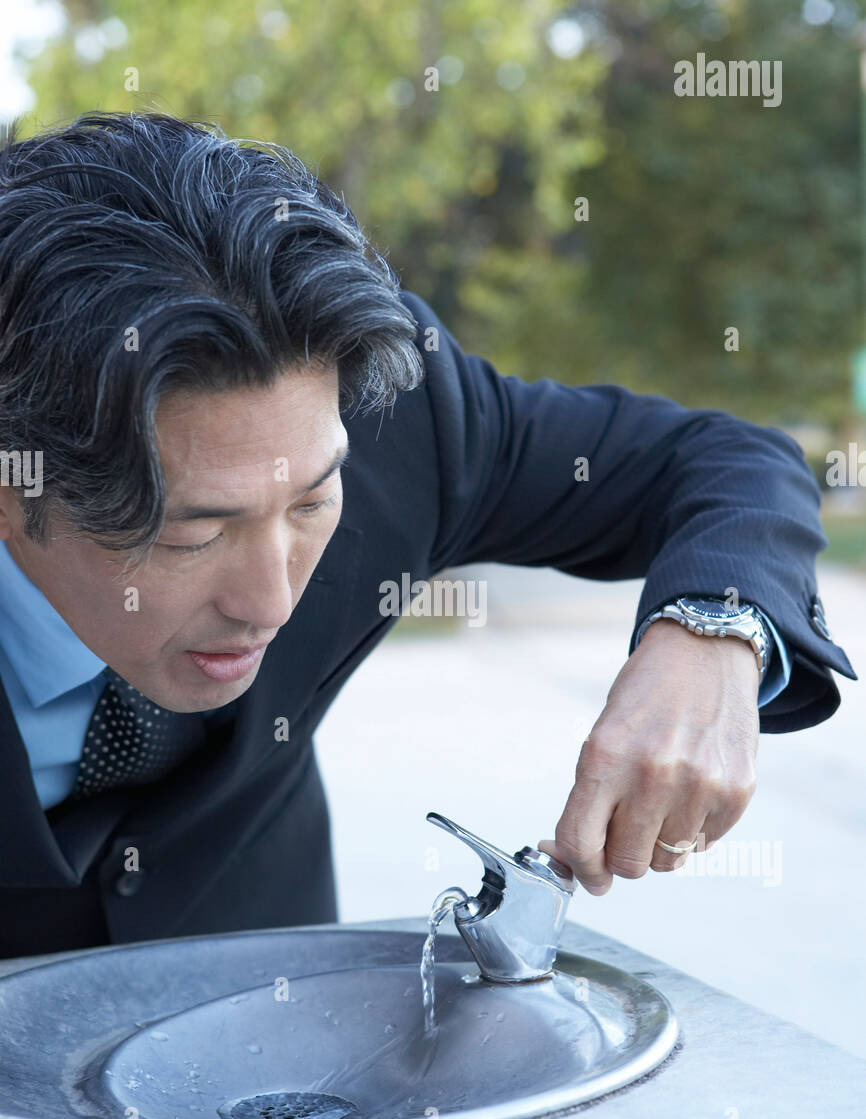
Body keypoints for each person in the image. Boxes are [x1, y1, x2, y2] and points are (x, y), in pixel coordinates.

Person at [0, 111, 855, 958]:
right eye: (196, 531)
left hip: (271, 1038)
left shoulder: (397, 422)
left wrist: (715, 632)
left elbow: (722, 458)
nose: (270, 601)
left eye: (312, 500)